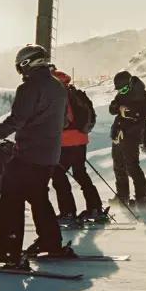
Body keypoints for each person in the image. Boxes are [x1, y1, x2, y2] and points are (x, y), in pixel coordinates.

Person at [0, 44, 73, 269]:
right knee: (38, 198)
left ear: (27, 63)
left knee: (9, 201)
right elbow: (64, 121)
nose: (19, 70)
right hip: (49, 156)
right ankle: (51, 242)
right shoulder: (57, 86)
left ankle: (8, 251)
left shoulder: (30, 87)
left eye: (20, 66)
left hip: (28, 155)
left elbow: (17, 120)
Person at [49, 69, 106, 225]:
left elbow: (62, 122)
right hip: (81, 140)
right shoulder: (73, 92)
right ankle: (95, 208)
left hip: (66, 141)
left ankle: (68, 212)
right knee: (80, 173)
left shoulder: (59, 96)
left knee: (58, 175)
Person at [108, 71, 146, 208]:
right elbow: (112, 108)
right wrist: (119, 108)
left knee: (132, 165)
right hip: (118, 132)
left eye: (125, 89)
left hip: (132, 134)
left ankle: (143, 195)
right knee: (118, 165)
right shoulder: (121, 94)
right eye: (120, 90)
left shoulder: (141, 93)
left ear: (130, 83)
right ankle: (122, 195)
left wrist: (132, 112)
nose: (122, 92)